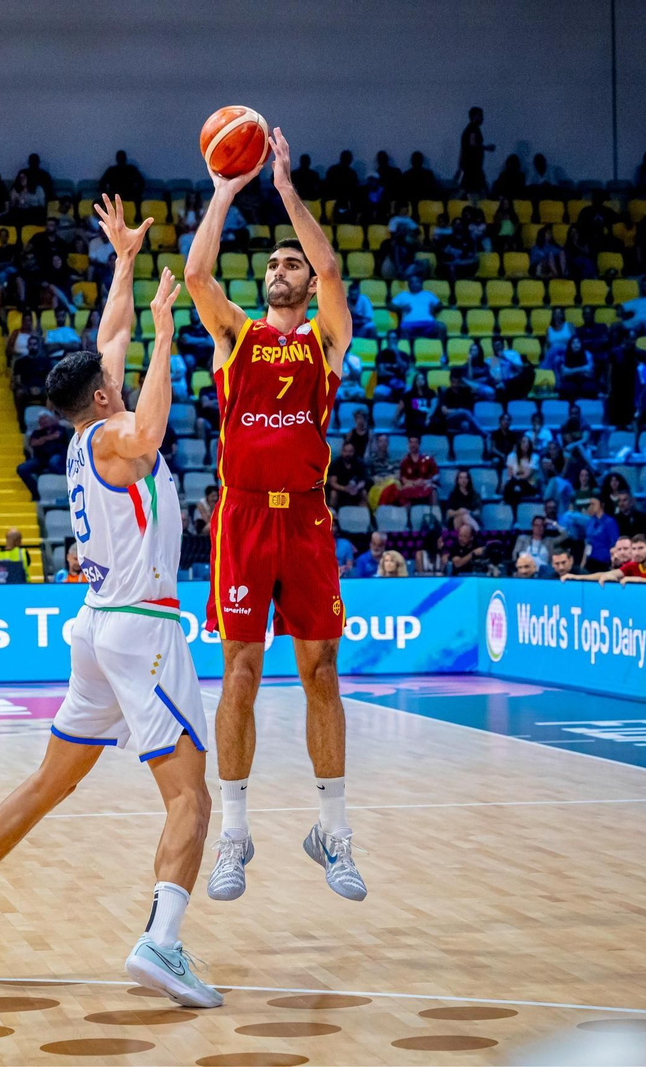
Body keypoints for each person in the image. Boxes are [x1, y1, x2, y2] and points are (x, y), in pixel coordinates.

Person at [0, 241, 218, 1005]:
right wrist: (166, 334)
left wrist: (124, 264)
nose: (121, 372)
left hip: (97, 628)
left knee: (52, 780)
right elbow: (147, 432)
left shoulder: (84, 435)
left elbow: (109, 334)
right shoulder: (114, 437)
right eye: (116, 377)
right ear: (105, 394)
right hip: (143, 629)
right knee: (190, 796)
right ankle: (162, 941)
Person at [183, 128, 365, 905]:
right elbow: (196, 274)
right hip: (245, 518)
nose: (281, 269)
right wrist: (225, 189)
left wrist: (286, 188)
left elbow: (332, 269)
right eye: (272, 265)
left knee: (321, 672)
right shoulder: (237, 336)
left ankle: (334, 831)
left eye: (290, 262)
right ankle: (234, 834)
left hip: (308, 519)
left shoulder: (327, 339)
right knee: (241, 673)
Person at [454, 106, 494, 194]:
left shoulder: (470, 129)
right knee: (479, 190)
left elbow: (464, 148)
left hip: (470, 166)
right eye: (480, 116)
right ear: (475, 116)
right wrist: (487, 148)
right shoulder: (473, 129)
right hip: (473, 167)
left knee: (468, 190)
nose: (482, 118)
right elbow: (473, 145)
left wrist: (460, 166)